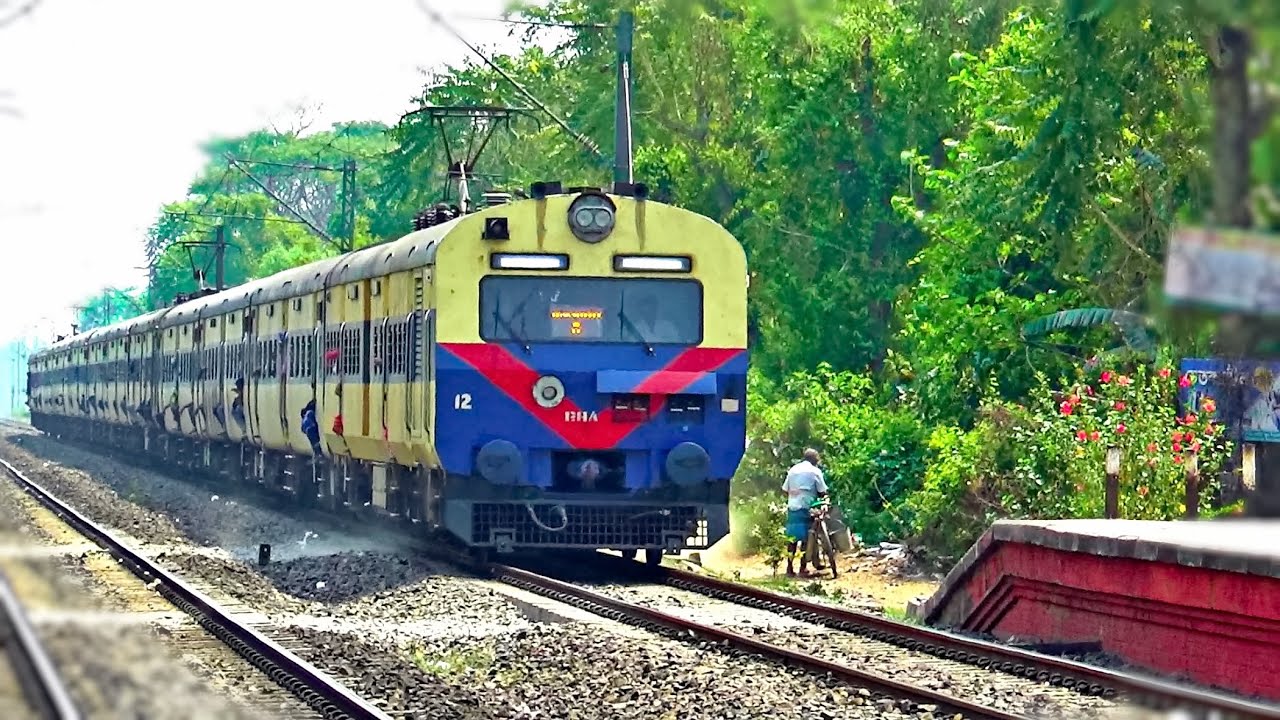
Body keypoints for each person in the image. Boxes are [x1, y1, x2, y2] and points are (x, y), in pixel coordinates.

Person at [782, 448, 828, 577]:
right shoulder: (815, 471)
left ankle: (789, 568)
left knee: (792, 539)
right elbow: (823, 491)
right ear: (815, 460)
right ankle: (803, 568)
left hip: (793, 507)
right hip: (807, 507)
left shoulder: (793, 470)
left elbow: (785, 489)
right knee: (807, 538)